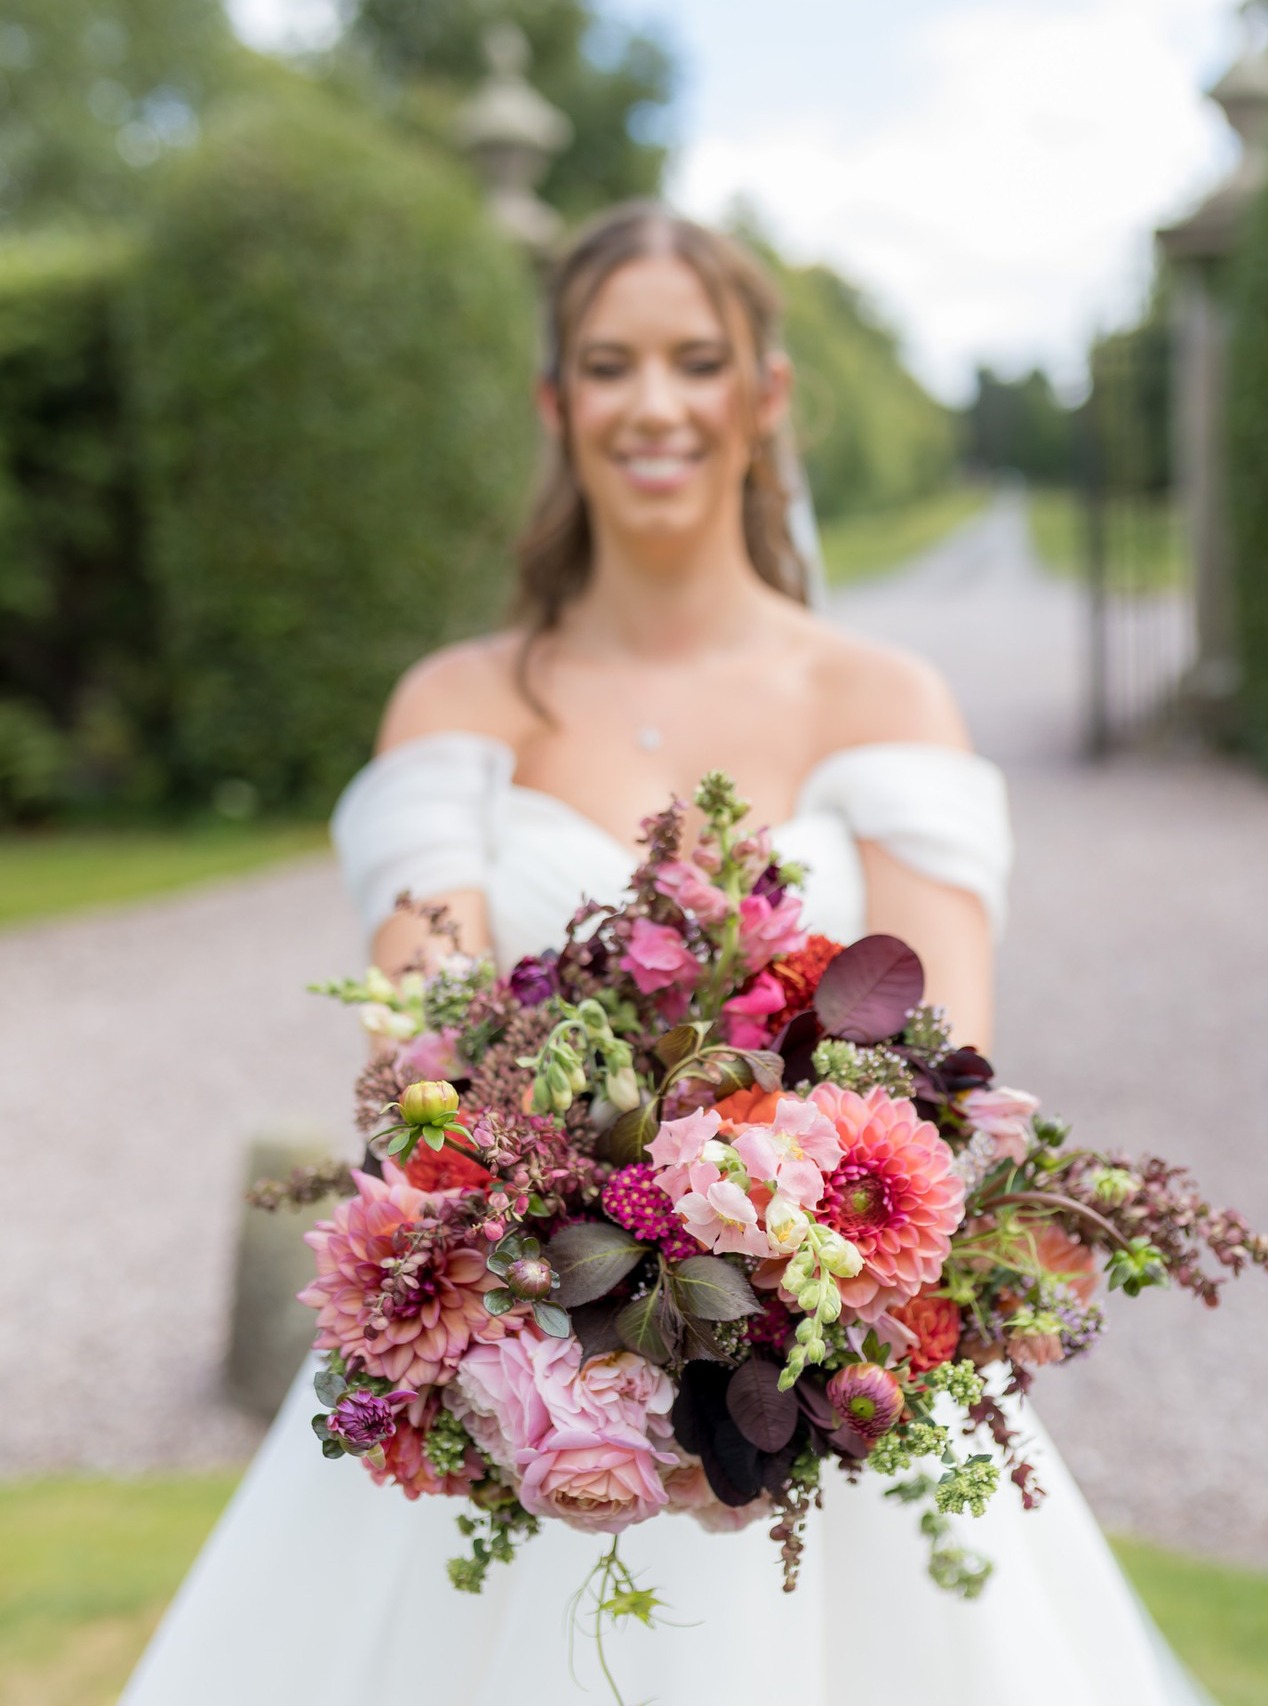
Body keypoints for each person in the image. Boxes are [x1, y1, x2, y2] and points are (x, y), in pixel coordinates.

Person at [122, 204, 1212, 1705]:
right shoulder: (452, 707)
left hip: (822, 1376)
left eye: (695, 361)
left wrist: (776, 1355)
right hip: (508, 1354)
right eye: (609, 362)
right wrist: (550, 1325)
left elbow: (944, 1068)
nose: (653, 402)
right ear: (555, 404)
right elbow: (414, 1052)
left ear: (764, 397)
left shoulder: (879, 698)